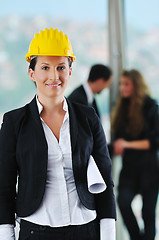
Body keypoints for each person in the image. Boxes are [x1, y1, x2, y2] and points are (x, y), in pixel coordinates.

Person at [0, 28, 116, 240]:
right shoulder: (13, 122)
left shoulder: (88, 117)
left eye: (61, 67)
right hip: (36, 231)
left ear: (70, 71)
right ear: (32, 73)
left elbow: (105, 180)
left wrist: (108, 235)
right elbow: (4, 185)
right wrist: (6, 235)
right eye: (45, 67)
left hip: (85, 229)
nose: (54, 76)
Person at [111, 69, 159, 240]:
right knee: (123, 202)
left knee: (148, 214)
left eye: (126, 84)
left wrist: (127, 144)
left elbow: (155, 142)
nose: (122, 88)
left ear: (135, 86)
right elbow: (117, 140)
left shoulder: (151, 107)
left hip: (149, 169)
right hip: (129, 169)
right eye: (121, 84)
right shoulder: (122, 109)